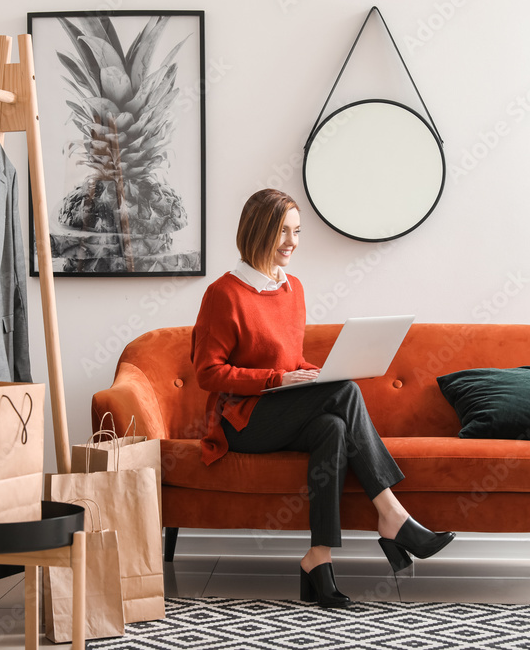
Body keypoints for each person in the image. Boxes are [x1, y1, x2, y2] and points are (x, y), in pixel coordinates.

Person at [191, 188, 454, 608]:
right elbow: (208, 373)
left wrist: (315, 375)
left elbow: (289, 359)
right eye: (282, 232)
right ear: (257, 232)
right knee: (346, 391)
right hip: (240, 423)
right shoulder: (224, 294)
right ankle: (392, 515)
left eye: (296, 232)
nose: (292, 242)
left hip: (279, 413)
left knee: (332, 427)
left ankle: (319, 559)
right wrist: (283, 379)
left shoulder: (293, 288)